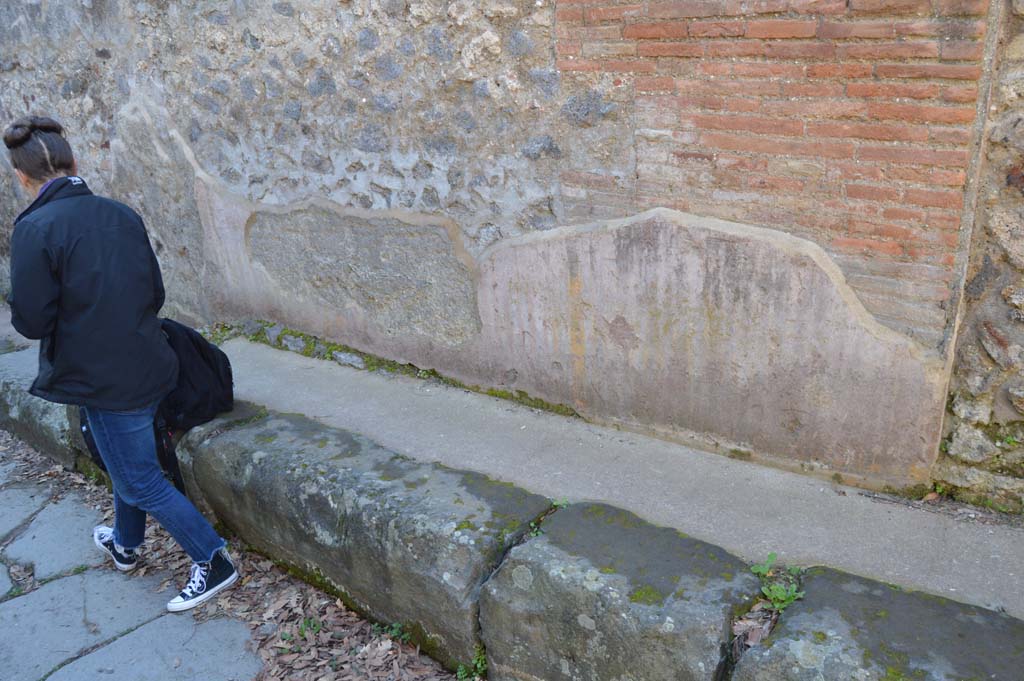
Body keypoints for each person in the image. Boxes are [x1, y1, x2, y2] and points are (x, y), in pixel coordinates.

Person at [3, 115, 238, 612]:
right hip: (149, 359)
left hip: (100, 376)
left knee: (139, 478)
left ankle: (213, 560)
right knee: (124, 459)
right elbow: (155, 292)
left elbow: (30, 321)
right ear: (74, 162)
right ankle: (126, 545)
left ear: (21, 177)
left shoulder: (34, 228)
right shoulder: (120, 212)